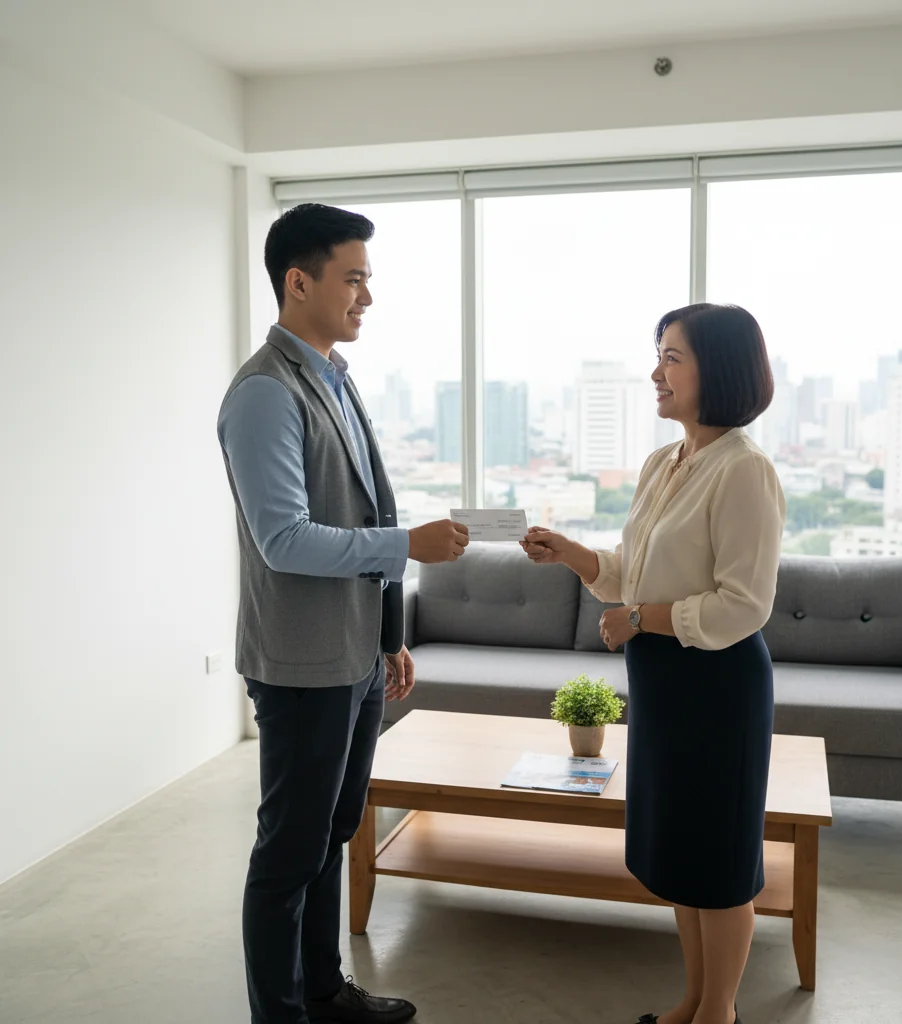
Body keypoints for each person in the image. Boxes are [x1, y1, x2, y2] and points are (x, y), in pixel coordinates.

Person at [218, 203, 469, 1024]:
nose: (367, 296)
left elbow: (362, 512)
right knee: (288, 853)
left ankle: (323, 992)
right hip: (301, 661)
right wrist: (408, 545)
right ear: (299, 282)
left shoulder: (334, 376)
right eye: (353, 278)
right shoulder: (264, 392)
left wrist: (391, 635)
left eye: (368, 279)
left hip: (357, 655)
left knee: (334, 832)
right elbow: (285, 539)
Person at [522, 303, 784, 1024]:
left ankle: (718, 1015)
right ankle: (696, 1001)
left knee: (723, 868)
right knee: (685, 856)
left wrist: (640, 620)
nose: (655, 372)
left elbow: (742, 606)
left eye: (672, 358)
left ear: (717, 371)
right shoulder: (663, 463)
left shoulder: (745, 471)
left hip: (718, 686)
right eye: (658, 354)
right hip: (666, 684)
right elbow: (633, 573)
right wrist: (574, 556)